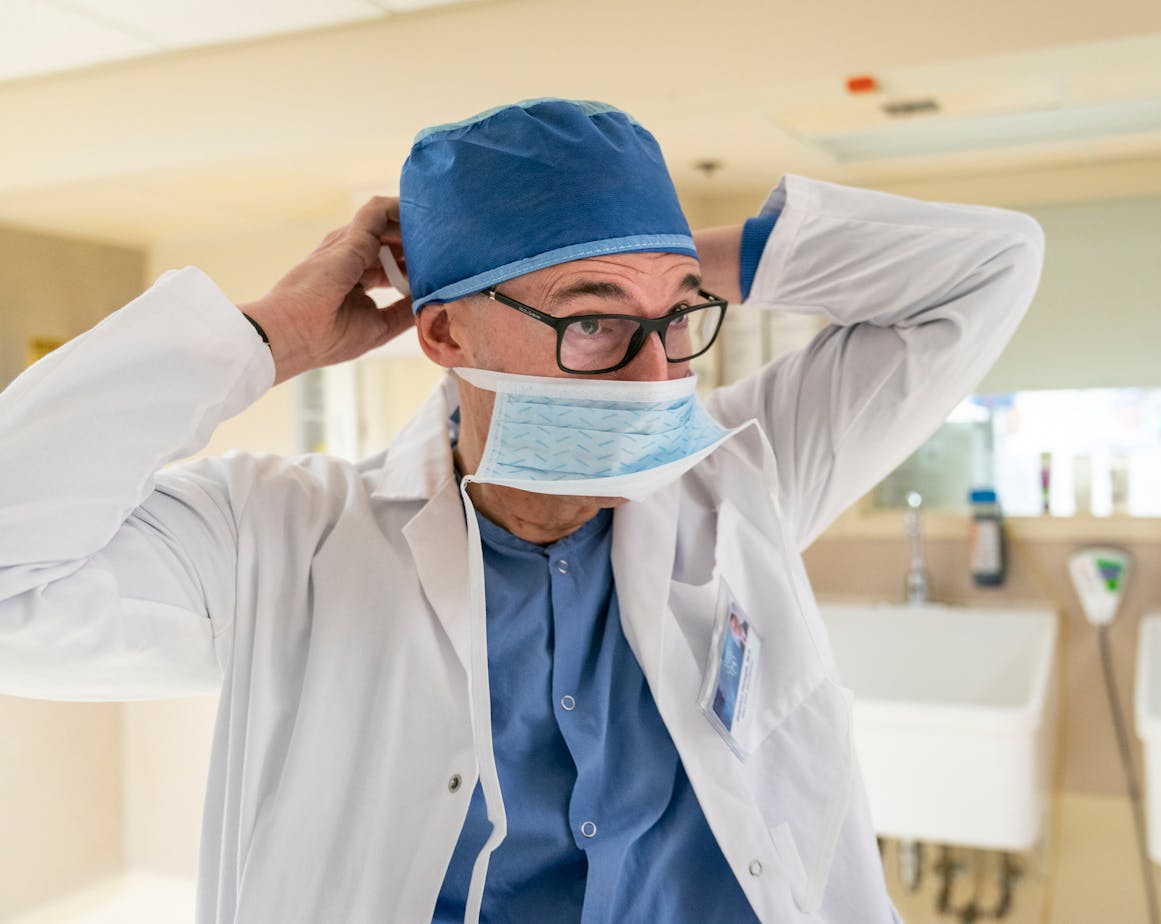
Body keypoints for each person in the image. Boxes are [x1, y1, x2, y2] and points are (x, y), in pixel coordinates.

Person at [0, 98, 1043, 923]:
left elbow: (989, 269)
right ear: (445, 335)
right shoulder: (284, 542)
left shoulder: (740, 481)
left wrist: (654, 252)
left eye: (676, 321)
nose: (651, 379)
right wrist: (272, 336)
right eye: (591, 321)